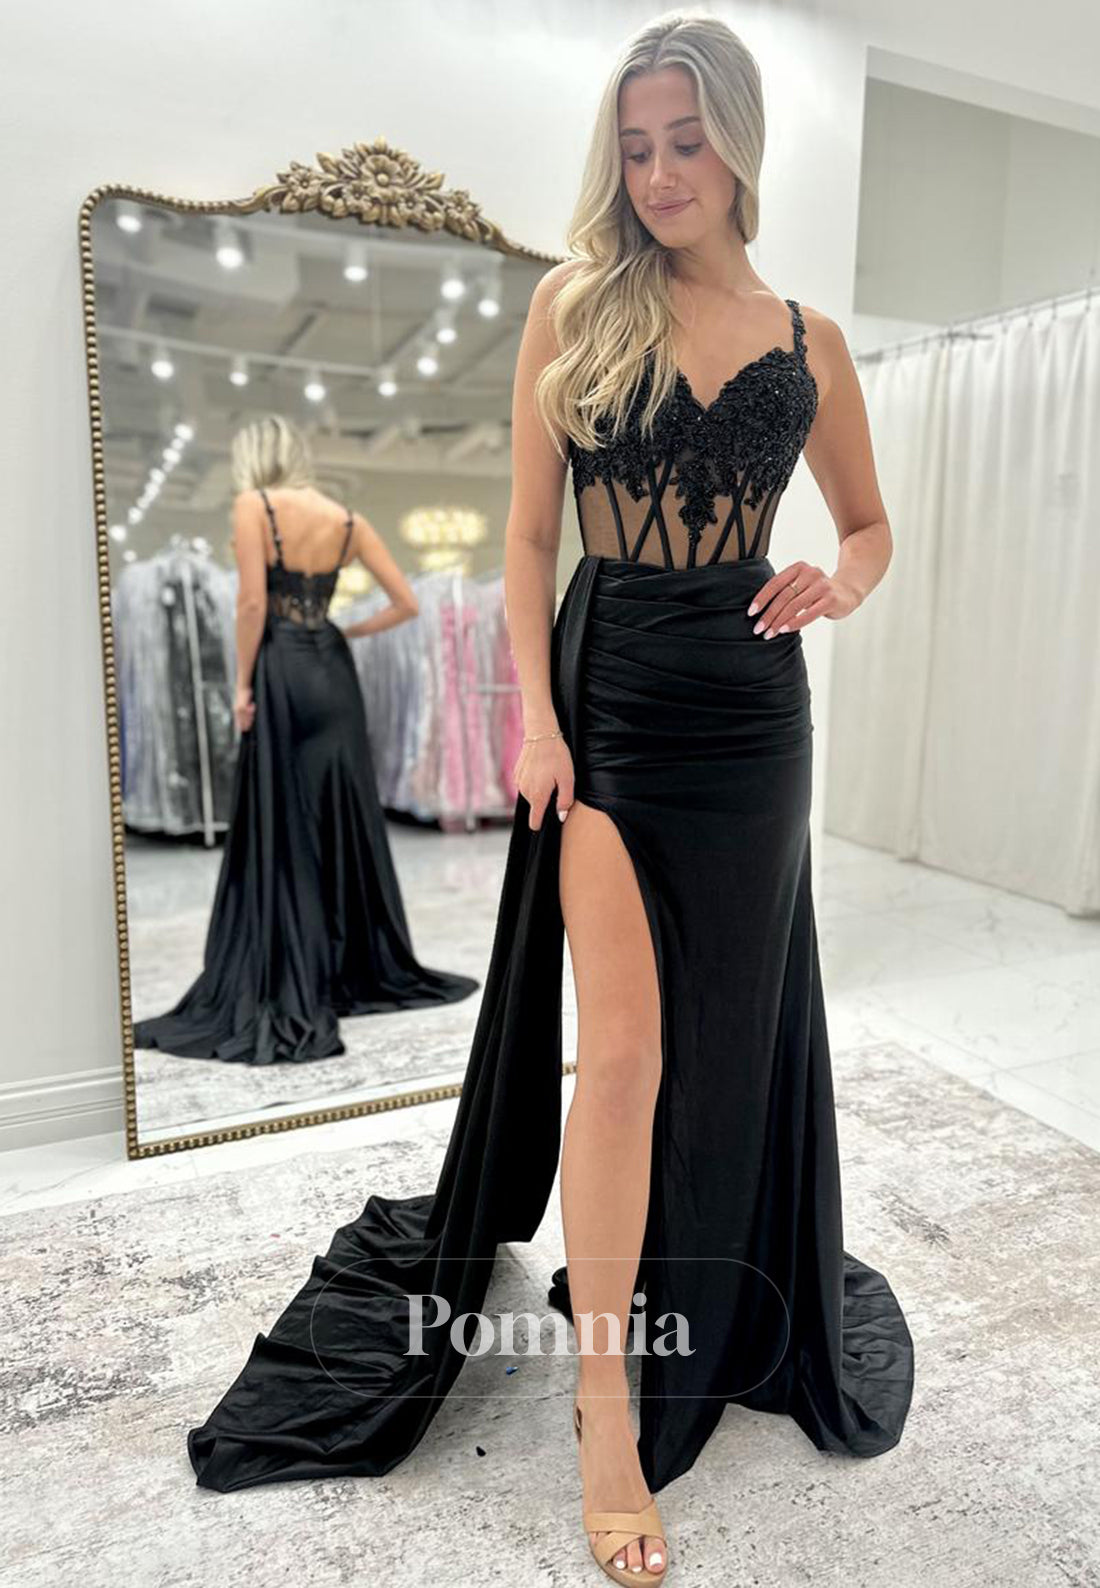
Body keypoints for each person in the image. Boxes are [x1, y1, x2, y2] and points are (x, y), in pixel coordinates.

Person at [185, 15, 914, 1584]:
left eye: (685, 142)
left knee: (728, 1046)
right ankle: (602, 1411)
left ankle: (702, 1291)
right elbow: (527, 538)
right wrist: (536, 724)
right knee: (627, 1058)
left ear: (738, 145)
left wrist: (838, 582)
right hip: (615, 705)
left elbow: (869, 527)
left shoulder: (808, 339)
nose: (658, 173)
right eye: (636, 146)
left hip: (754, 722)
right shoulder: (577, 303)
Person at [133, 414, 479, 1066]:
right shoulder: (348, 520)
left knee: (286, 819)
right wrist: (349, 631)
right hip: (333, 672)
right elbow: (407, 602)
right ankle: (349, 962)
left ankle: (295, 965)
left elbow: (251, 606)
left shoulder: (255, 506)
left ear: (253, 457)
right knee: (340, 812)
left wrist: (241, 685)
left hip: (282, 670)